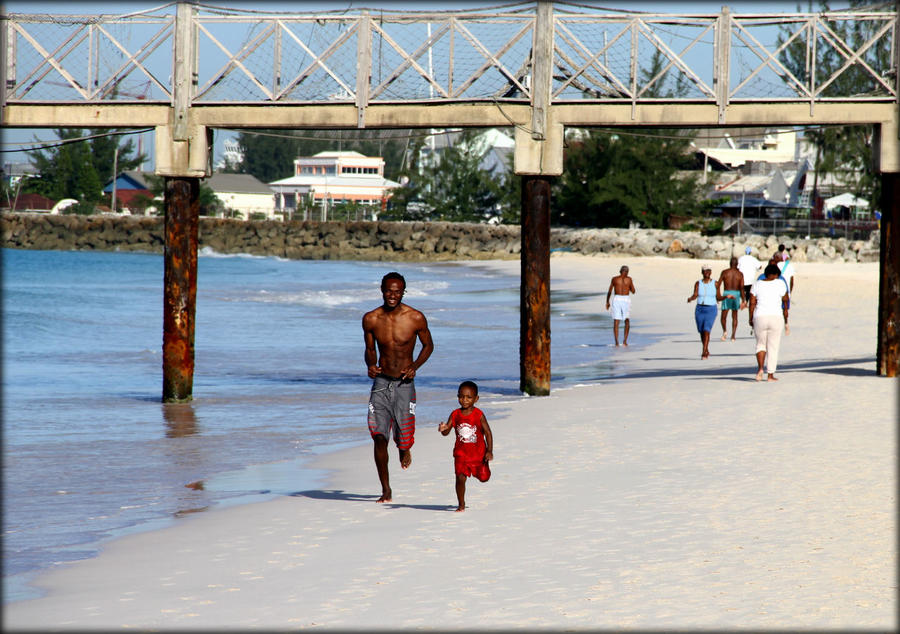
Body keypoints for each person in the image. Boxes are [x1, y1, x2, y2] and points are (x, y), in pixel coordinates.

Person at [362, 271, 434, 503]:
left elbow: (428, 346)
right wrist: (370, 365)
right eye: (388, 290)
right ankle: (386, 489)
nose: (392, 295)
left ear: (403, 291)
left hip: (404, 383)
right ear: (381, 290)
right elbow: (370, 350)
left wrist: (415, 366)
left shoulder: (415, 318)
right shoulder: (371, 319)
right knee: (379, 437)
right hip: (381, 383)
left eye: (397, 291)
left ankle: (404, 448)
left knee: (404, 438)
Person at [438, 380, 493, 512]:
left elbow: (488, 433)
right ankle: (461, 504)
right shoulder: (455, 414)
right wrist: (443, 429)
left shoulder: (478, 415)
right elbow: (447, 432)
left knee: (484, 478)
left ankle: (482, 468)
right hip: (461, 454)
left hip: (478, 454)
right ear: (458, 397)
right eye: (461, 397)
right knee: (460, 478)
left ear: (476, 399)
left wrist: (489, 451)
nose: (465, 400)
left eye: (469, 397)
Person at [749, 263, 790, 381]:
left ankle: (760, 369)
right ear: (776, 274)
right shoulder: (780, 283)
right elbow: (785, 300)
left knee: (760, 345)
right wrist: (786, 314)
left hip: (760, 317)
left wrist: (750, 318)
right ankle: (770, 375)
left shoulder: (757, 284)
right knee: (773, 346)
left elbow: (752, 303)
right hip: (776, 317)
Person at [686, 264, 721, 359]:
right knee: (701, 331)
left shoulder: (715, 283)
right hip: (699, 309)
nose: (707, 272)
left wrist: (726, 297)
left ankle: (704, 351)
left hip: (711, 309)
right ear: (702, 272)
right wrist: (690, 298)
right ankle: (706, 348)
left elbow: (718, 296)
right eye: (705, 271)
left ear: (711, 272)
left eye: (709, 270)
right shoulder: (698, 283)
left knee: (706, 330)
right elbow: (695, 294)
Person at [716, 256, 747, 341]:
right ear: (737, 264)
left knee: (723, 316)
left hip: (727, 293)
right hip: (736, 294)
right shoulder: (740, 274)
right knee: (735, 316)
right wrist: (744, 300)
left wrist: (718, 296)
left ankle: (725, 331)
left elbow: (718, 285)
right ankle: (733, 335)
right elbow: (741, 288)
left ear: (730, 264)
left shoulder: (725, 272)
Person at [605, 265, 636, 346]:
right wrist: (629, 285)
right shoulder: (629, 279)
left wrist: (607, 302)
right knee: (627, 320)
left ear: (620, 271)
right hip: (626, 299)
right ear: (627, 272)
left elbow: (609, 291)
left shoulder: (614, 279)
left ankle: (616, 342)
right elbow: (633, 291)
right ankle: (625, 341)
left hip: (617, 299)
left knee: (616, 320)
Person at [737, 247, 762, 334]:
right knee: (748, 291)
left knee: (742, 290)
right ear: (751, 252)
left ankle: (743, 301)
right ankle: (746, 302)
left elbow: (737, 267)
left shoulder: (741, 258)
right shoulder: (753, 259)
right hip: (750, 278)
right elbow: (760, 266)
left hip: (742, 278)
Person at [776, 250, 795, 335]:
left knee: (777, 308)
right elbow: (792, 281)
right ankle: (786, 323)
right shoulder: (790, 266)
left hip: (778, 287)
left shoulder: (778, 265)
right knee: (785, 308)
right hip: (786, 289)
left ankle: (778, 325)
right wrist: (790, 291)